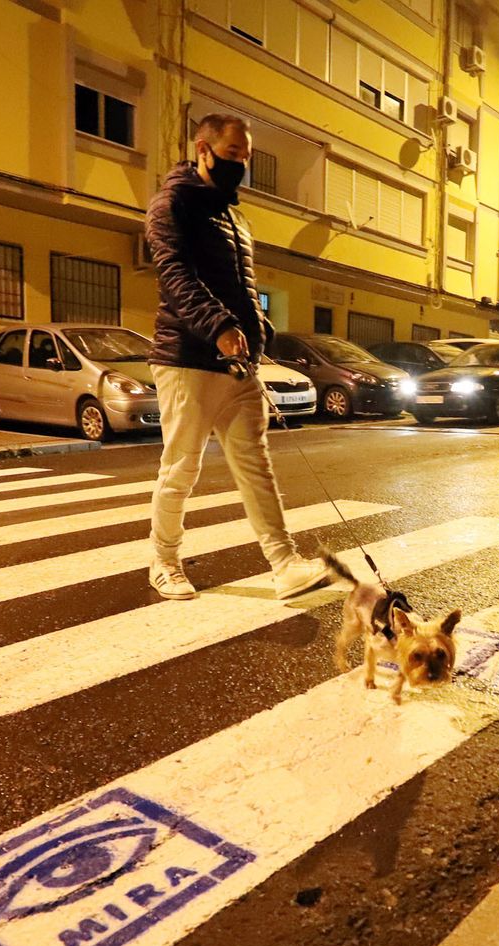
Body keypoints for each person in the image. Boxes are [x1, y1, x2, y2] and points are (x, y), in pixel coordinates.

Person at [143, 113, 331, 601]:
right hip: (187, 359)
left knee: (255, 465)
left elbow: (243, 288)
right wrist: (221, 327)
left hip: (238, 364)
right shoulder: (173, 203)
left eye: (245, 158)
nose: (239, 166)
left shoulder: (232, 214)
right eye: (232, 156)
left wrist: (256, 331)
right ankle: (163, 561)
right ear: (203, 149)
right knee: (181, 467)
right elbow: (175, 277)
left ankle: (284, 562)